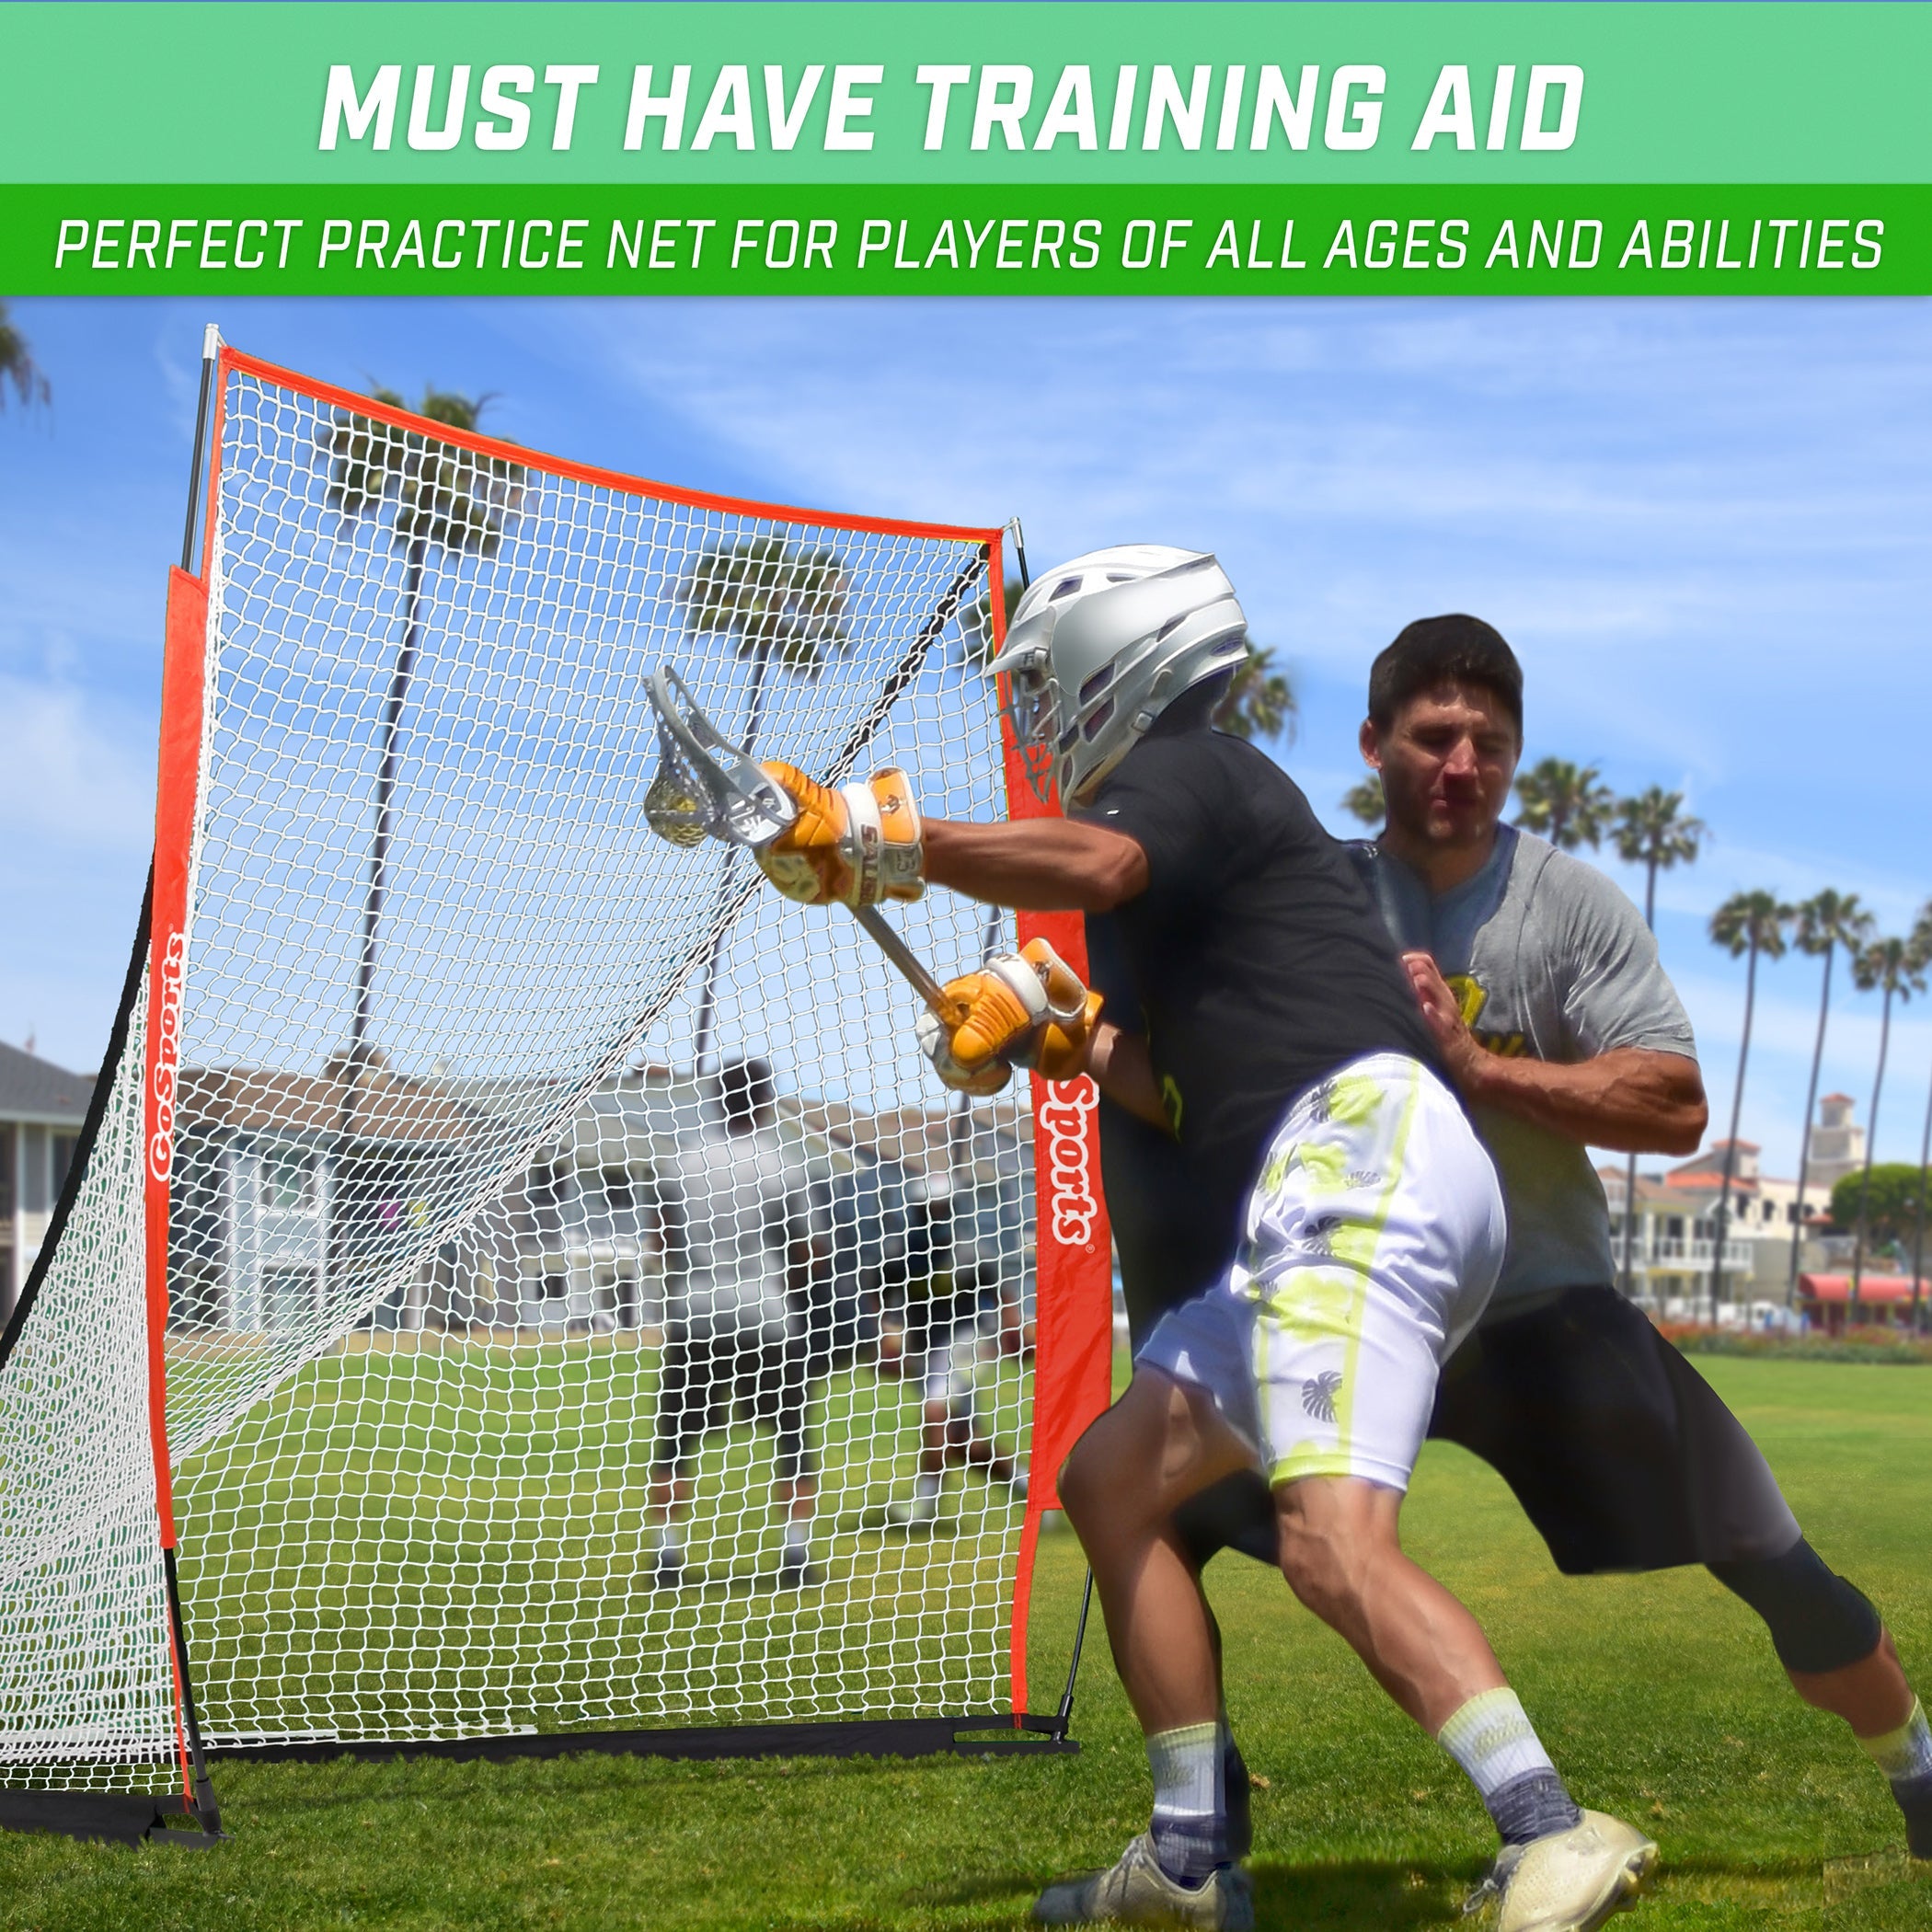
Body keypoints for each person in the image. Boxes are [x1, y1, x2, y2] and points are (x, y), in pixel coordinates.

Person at [743, 546, 1657, 1932]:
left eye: (1049, 680)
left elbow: (1099, 861)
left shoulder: (1190, 763)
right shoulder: (1216, 855)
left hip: (1358, 1163)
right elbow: (1178, 1090)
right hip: (1332, 1176)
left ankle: (1551, 1825)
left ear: (1125, 653)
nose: (1044, 712)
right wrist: (1060, 1039)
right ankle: (1183, 1866)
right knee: (1111, 1482)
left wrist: (883, 842)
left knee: (1328, 1542)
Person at [1348, 612, 1931, 1865]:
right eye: (1435, 735)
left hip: (1542, 1307)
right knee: (1171, 1504)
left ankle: (1921, 1772)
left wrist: (1477, 1068)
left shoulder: (1566, 903)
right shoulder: (1321, 904)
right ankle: (1197, 1828)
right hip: (1361, 1307)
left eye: (1490, 743)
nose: (1464, 763)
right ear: (1373, 744)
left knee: (1783, 1572)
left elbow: (1672, 1102)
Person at [647, 1055, 822, 1592]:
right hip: (766, 1312)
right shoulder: (783, 1163)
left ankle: (666, 1559)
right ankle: (796, 1554)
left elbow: (660, 1244)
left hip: (695, 1312)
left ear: (717, 1097)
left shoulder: (680, 1161)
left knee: (674, 1442)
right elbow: (807, 1250)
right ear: (767, 1098)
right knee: (791, 1439)